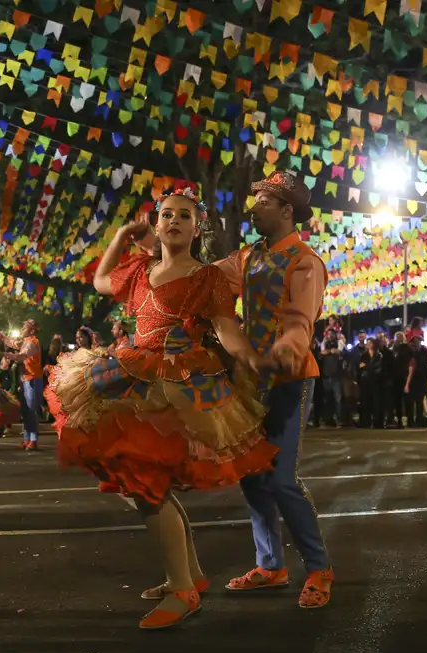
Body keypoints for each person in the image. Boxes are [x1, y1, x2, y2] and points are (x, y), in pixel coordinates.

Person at [46, 187, 277, 628]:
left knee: (146, 484)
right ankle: (187, 576)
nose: (174, 221)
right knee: (144, 485)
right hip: (130, 374)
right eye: (167, 215)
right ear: (156, 225)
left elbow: (227, 331)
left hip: (177, 387)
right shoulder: (140, 270)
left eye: (184, 216)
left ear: (197, 227)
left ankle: (183, 589)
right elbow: (99, 280)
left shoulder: (207, 278)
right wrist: (119, 236)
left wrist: (255, 359)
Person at [214, 170, 335, 608]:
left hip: (290, 378)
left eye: (263, 201)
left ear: (287, 211)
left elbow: (301, 320)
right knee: (251, 476)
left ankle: (319, 569)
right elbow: (208, 282)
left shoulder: (304, 261)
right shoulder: (248, 256)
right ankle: (270, 565)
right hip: (251, 380)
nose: (254, 207)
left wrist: (286, 348)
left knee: (282, 480)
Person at [0, 320, 43, 450]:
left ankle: (33, 439)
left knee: (31, 410)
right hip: (26, 379)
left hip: (33, 379)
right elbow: (12, 343)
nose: (22, 328)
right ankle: (27, 438)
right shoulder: (26, 342)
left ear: (32, 330)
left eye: (25, 327)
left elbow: (21, 356)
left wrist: (4, 354)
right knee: (25, 410)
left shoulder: (32, 343)